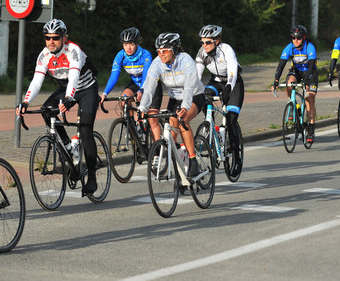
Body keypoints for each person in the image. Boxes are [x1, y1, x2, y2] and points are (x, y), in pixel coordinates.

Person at [16, 18, 99, 196]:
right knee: (47, 110)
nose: (51, 41)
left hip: (86, 89)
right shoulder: (44, 55)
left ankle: (91, 177)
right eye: (47, 38)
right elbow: (37, 81)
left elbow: (74, 76)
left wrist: (70, 98)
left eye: (55, 37)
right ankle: (70, 147)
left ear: (64, 38)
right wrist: (25, 102)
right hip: (65, 88)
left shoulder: (73, 50)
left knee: (85, 130)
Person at [138, 33, 205, 178]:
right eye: (158, 51)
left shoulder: (186, 60)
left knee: (183, 121)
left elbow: (188, 87)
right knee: (171, 136)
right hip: (175, 98)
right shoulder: (157, 63)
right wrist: (142, 108)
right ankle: (180, 166)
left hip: (194, 95)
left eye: (165, 51)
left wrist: (185, 107)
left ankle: (193, 160)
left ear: (174, 49)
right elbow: (149, 87)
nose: (161, 54)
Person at [195, 24, 243, 169]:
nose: (204, 45)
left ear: (217, 41)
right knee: (204, 95)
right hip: (215, 81)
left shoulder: (226, 49)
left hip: (233, 83)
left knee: (231, 119)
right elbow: (196, 76)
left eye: (208, 42)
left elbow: (233, 70)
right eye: (202, 42)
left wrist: (229, 86)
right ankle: (210, 125)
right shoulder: (202, 53)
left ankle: (236, 156)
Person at [98, 27, 160, 140]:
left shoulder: (145, 55)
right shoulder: (120, 55)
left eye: (131, 44)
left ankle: (156, 153)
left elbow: (146, 75)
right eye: (125, 44)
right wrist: (105, 93)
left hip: (151, 84)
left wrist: (142, 90)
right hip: (135, 83)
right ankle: (134, 129)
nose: (128, 47)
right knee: (123, 99)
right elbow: (114, 76)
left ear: (136, 43)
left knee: (152, 119)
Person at [272, 25, 318, 143]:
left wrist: (306, 81)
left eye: (298, 38)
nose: (295, 40)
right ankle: (293, 104)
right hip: (296, 72)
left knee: (310, 99)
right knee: (289, 83)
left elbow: (312, 66)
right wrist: (276, 80)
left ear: (304, 38)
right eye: (293, 38)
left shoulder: (309, 47)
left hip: (310, 72)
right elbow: (281, 64)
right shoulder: (290, 47)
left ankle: (311, 129)